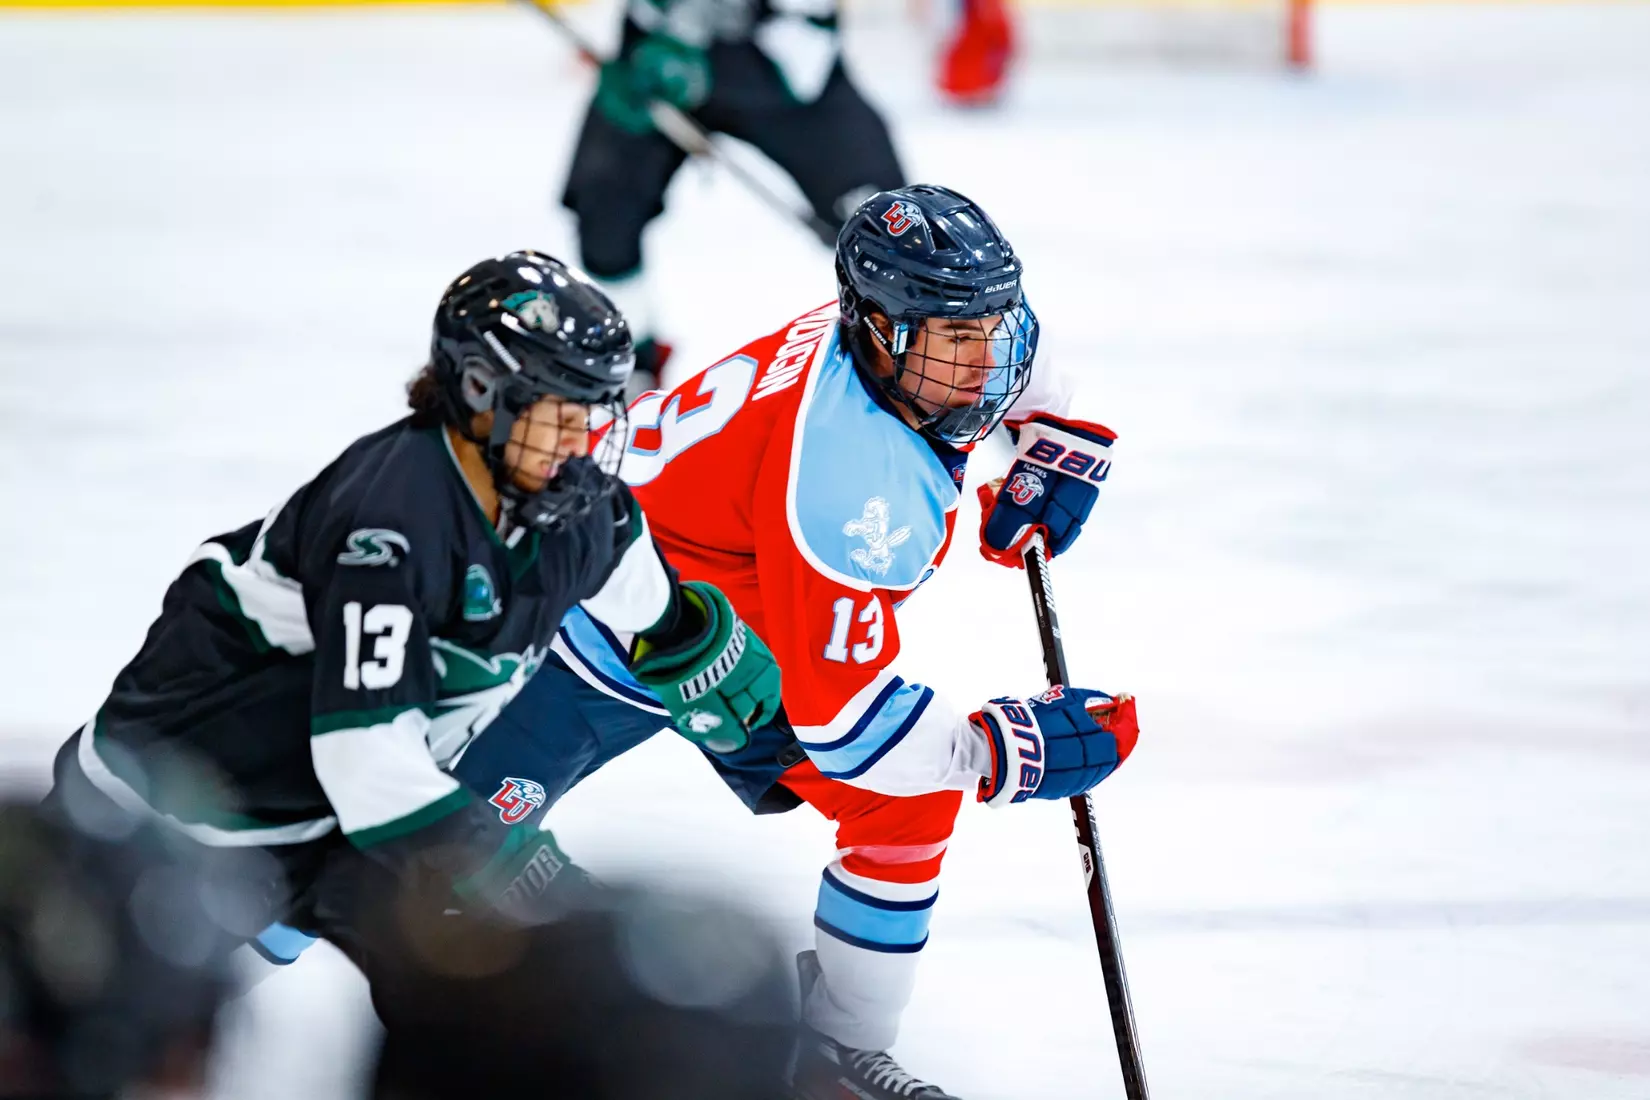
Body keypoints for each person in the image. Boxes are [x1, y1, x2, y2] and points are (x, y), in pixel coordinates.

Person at [460, 185, 1140, 1099]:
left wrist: (1065, 437)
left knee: (902, 808)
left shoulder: (932, 334)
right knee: (421, 848)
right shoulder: (844, 480)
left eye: (990, 330)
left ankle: (839, 1049)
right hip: (582, 609)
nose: (984, 368)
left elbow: (1022, 347)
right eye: (954, 341)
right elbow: (845, 727)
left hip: (730, 610)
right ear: (877, 328)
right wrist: (999, 750)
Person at [38, 252, 784, 989]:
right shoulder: (391, 524)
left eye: (593, 412)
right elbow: (366, 760)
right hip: (167, 815)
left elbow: (634, 582)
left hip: (321, 826)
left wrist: (689, 638)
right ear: (482, 389)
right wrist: (504, 861)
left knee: (493, 1014)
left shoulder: (569, 503)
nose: (578, 441)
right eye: (558, 411)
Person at [565, 0, 906, 393]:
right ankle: (631, 359)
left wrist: (705, 74)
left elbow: (803, 66)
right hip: (656, 56)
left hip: (776, 69)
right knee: (604, 202)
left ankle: (916, 355)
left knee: (890, 227)